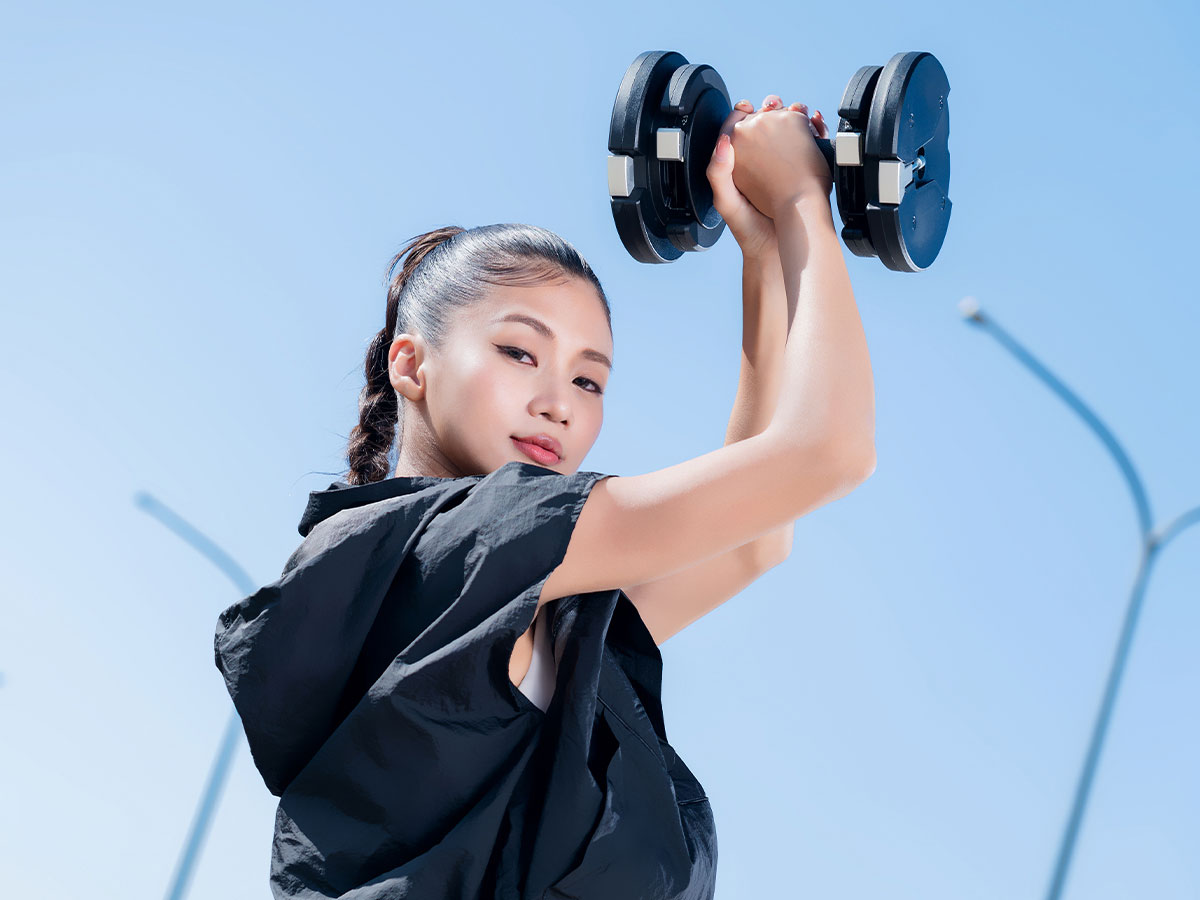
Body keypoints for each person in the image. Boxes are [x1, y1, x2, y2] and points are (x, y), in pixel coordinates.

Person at [214, 94, 875, 899]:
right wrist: (807, 200)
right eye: (520, 353)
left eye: (588, 378)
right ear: (411, 366)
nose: (559, 401)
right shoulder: (464, 540)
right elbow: (826, 453)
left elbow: (753, 539)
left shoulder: (527, 598)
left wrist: (765, 252)